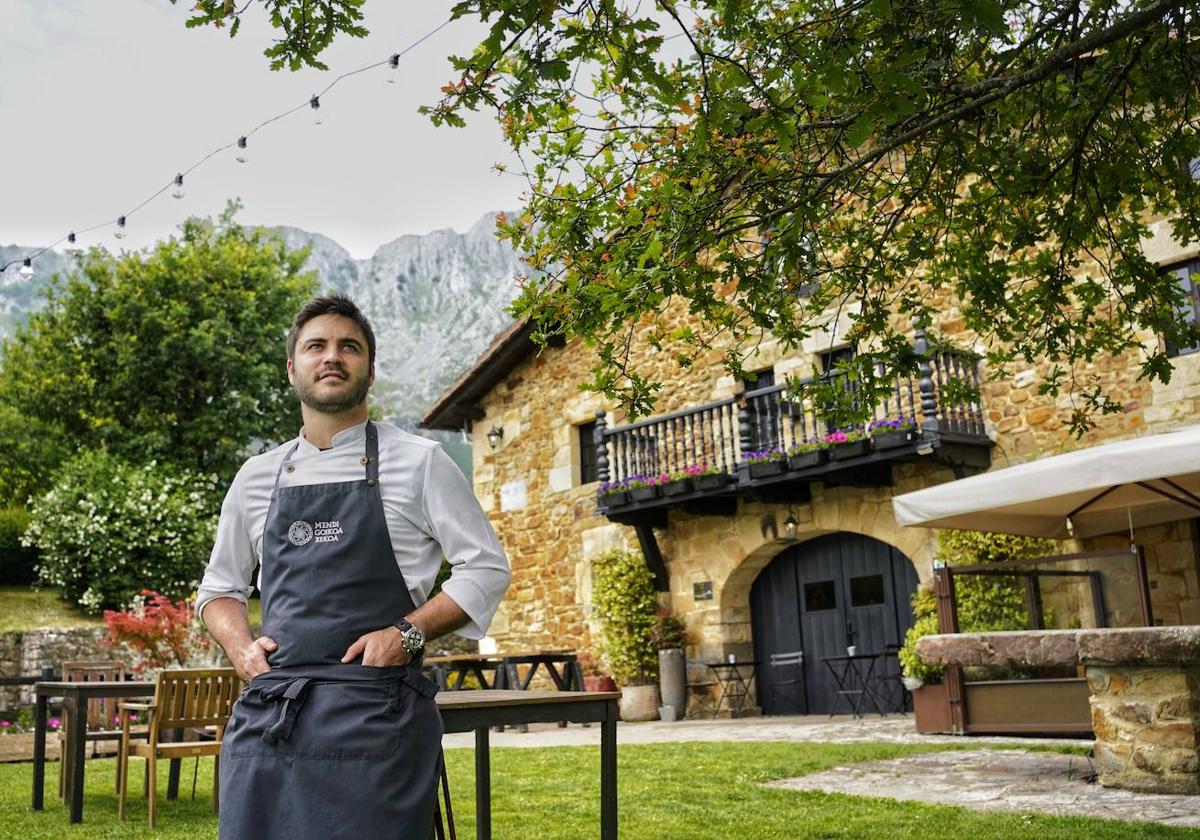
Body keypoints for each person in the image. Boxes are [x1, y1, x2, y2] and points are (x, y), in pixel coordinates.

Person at [197, 294, 510, 839]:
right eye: (316, 346)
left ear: (370, 367)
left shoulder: (419, 462)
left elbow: (485, 568)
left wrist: (407, 634)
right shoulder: (256, 476)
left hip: (376, 715)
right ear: (293, 367)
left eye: (350, 347)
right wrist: (239, 647)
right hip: (273, 713)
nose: (332, 357)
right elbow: (220, 588)